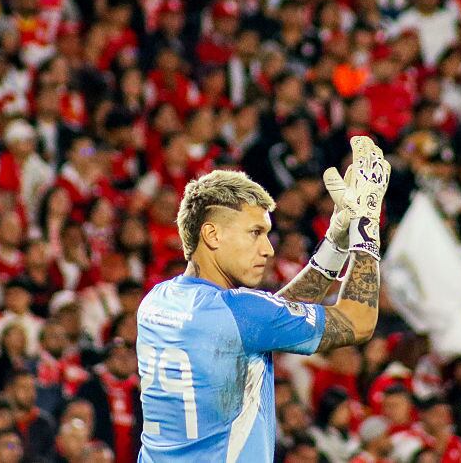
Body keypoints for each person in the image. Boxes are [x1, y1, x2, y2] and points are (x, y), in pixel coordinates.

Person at [136, 135, 390, 461]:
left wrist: (335, 244)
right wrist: (366, 226)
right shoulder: (243, 314)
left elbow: (268, 320)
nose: (268, 249)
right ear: (212, 234)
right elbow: (359, 322)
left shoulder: (157, 301)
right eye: (255, 233)